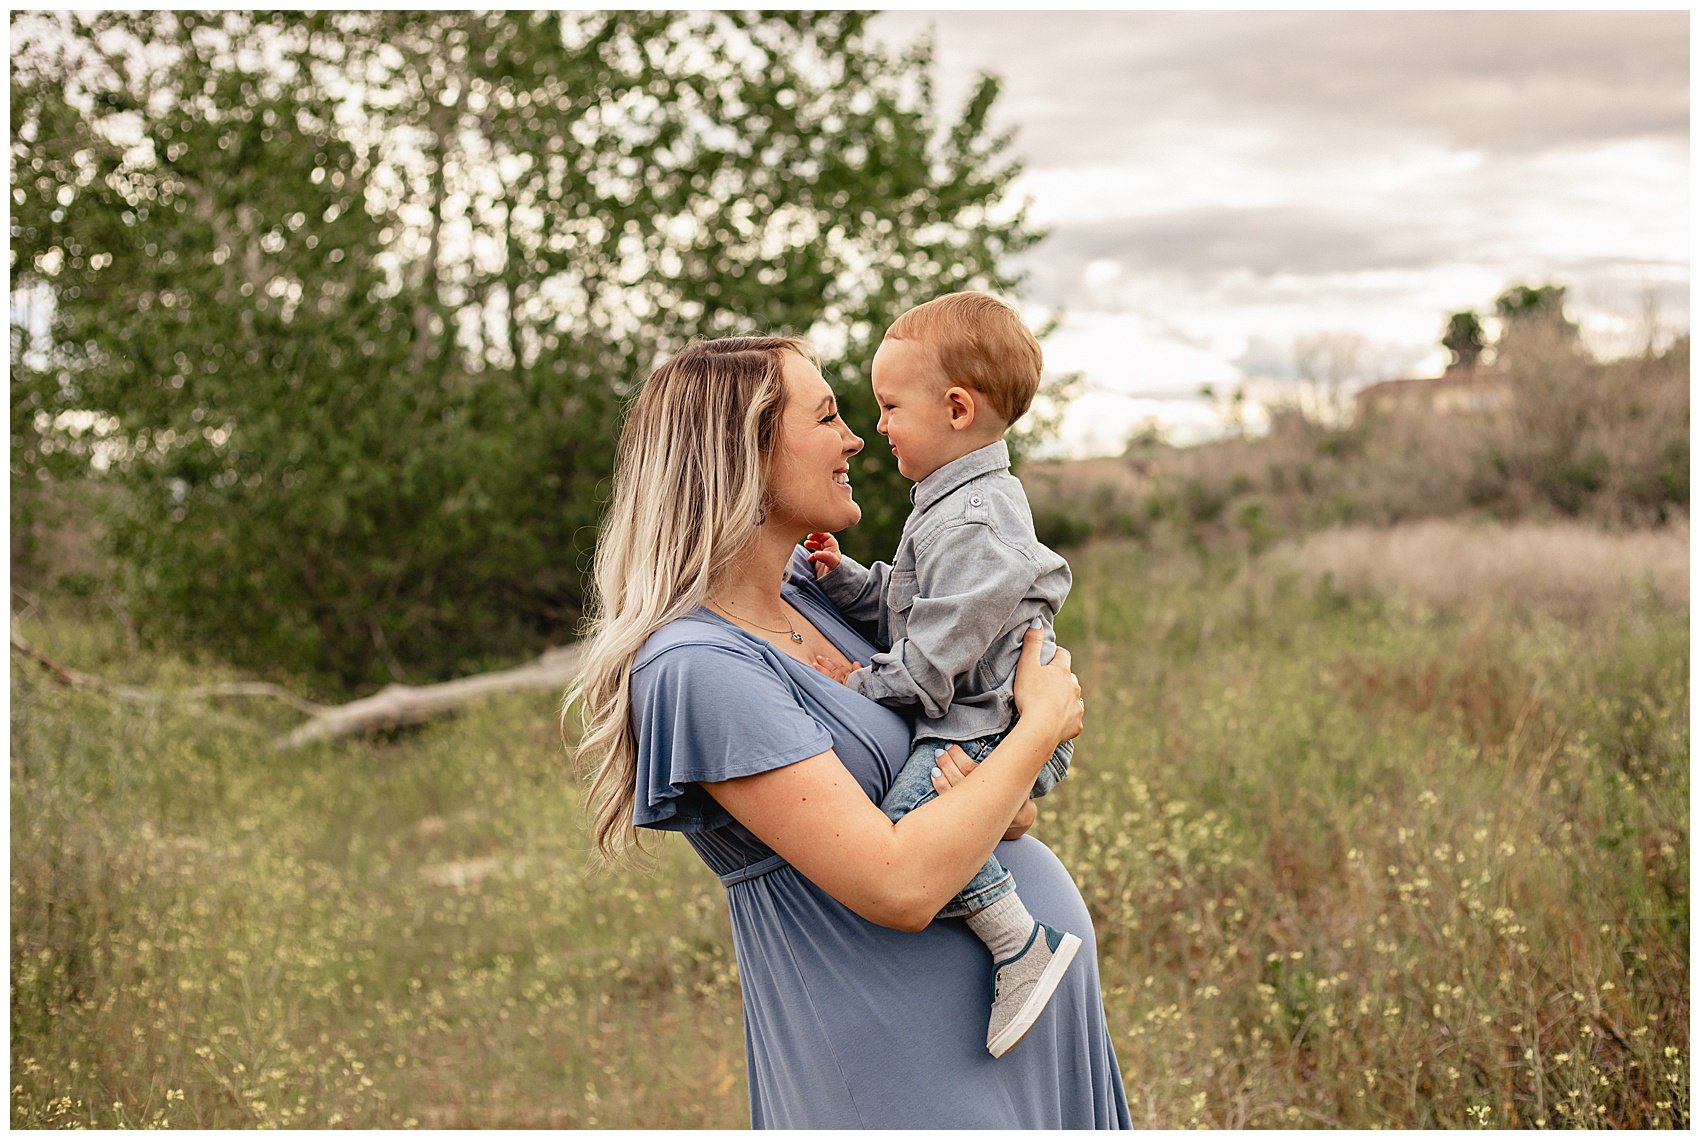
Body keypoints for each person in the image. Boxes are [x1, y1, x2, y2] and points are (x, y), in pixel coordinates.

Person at [570, 335, 1131, 1129]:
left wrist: (1005, 789)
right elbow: (899, 884)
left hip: (1023, 1036)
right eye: (828, 416)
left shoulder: (811, 591)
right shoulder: (697, 666)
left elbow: (999, 811)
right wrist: (1040, 729)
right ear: (746, 454)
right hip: (906, 1061)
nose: (856, 437)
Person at [801, 291, 1079, 1059]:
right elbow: (918, 604)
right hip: (982, 722)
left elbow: (928, 666)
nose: (876, 426)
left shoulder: (976, 520)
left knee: (905, 839)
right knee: (929, 829)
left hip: (987, 727)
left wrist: (848, 685)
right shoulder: (949, 504)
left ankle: (1018, 943)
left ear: (957, 408)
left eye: (890, 406)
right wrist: (847, 580)